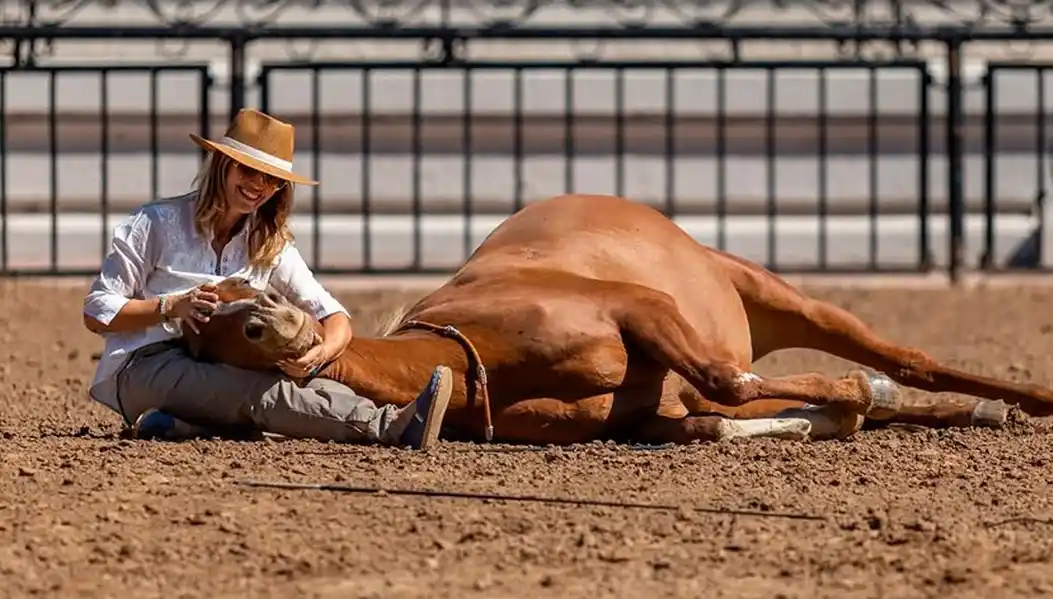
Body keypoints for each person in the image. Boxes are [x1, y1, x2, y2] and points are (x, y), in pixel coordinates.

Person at [81, 108, 453, 449]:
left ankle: (183, 425)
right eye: (248, 171)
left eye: (272, 180)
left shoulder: (269, 242)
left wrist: (319, 354)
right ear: (222, 165)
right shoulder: (156, 223)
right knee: (255, 393)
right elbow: (97, 312)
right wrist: (172, 306)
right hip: (146, 365)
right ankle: (389, 426)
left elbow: (334, 317)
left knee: (304, 384)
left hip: (220, 364)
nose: (259, 186)